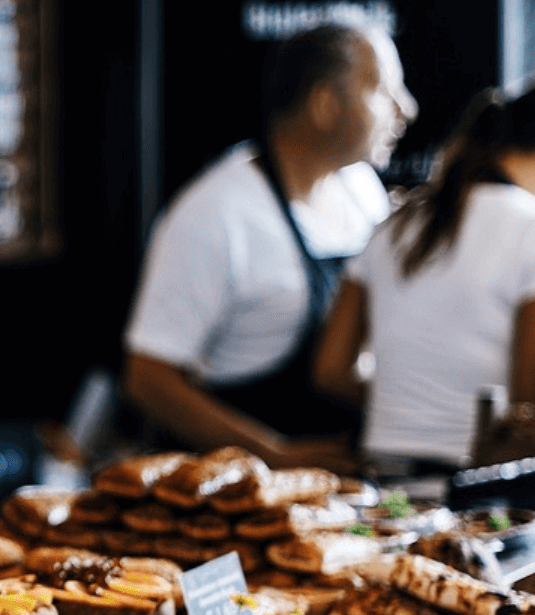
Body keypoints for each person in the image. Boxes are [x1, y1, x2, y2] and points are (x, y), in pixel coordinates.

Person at [124, 19, 417, 469]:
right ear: (325, 104)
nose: (407, 109)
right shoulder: (216, 215)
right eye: (384, 91)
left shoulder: (361, 189)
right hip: (238, 497)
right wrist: (274, 456)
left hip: (348, 485)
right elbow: (148, 379)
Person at [313, 79, 535, 472]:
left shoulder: (394, 225)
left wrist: (410, 404)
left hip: (383, 476)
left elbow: (330, 371)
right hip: (479, 484)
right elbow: (531, 402)